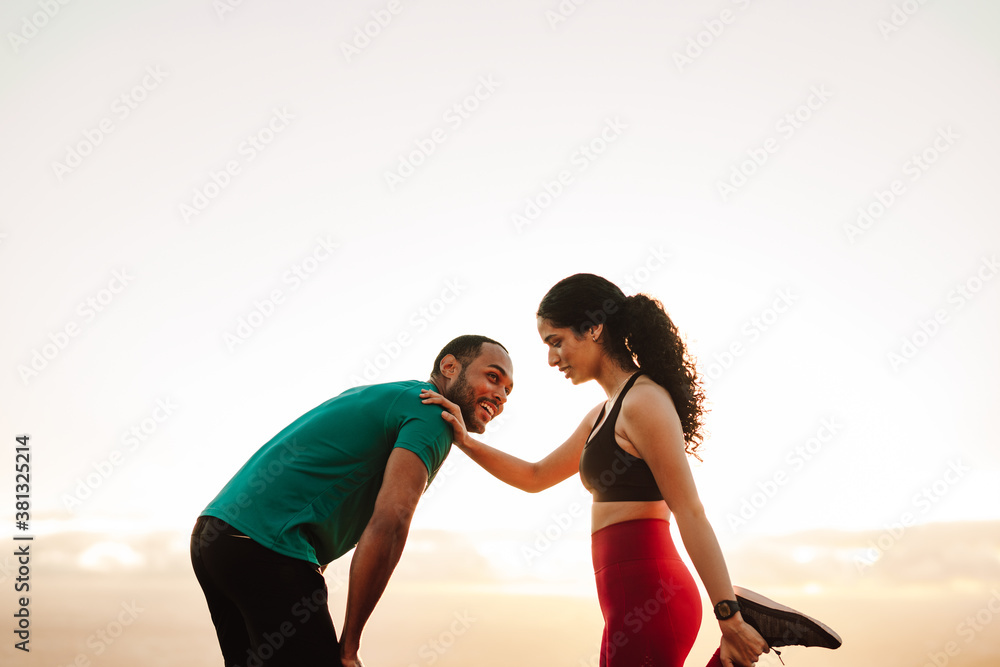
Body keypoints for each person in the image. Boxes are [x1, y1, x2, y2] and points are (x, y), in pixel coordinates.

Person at [421, 274, 841, 667]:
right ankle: (734, 652)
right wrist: (464, 439)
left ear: (593, 329)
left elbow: (691, 511)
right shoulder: (601, 414)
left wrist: (726, 613)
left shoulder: (644, 403)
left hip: (653, 594)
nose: (551, 359)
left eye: (557, 341)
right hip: (623, 600)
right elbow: (534, 477)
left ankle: (741, 621)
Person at [190, 334, 514, 667]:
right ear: (449, 366)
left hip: (214, 539)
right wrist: (349, 645)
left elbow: (317, 482)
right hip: (266, 547)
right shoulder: (433, 414)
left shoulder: (392, 395)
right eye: (493, 377)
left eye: (508, 389)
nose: (501, 395)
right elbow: (393, 519)